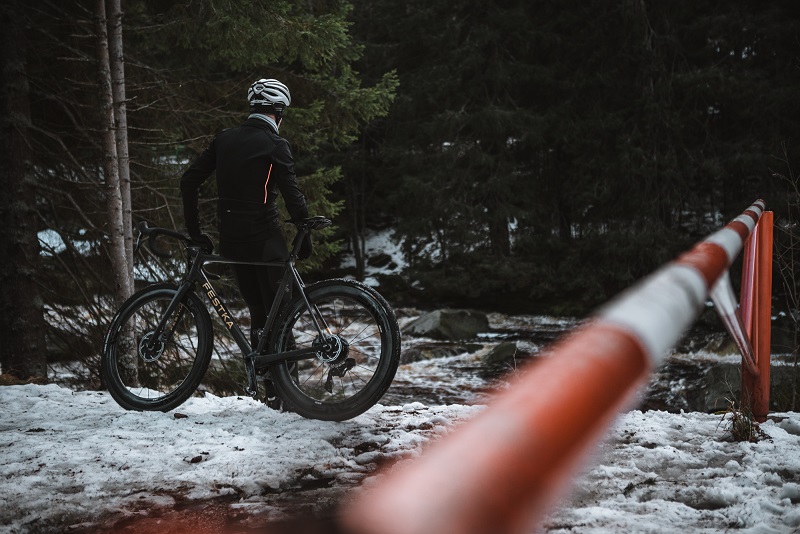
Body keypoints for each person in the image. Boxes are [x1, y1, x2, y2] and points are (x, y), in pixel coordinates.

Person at [180, 78, 311, 409]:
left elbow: (188, 181)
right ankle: (289, 396)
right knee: (279, 317)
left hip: (232, 242)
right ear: (278, 111)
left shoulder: (224, 139)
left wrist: (196, 233)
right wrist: (304, 228)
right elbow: (292, 194)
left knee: (258, 313)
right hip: (266, 241)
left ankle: (270, 393)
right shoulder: (274, 143)